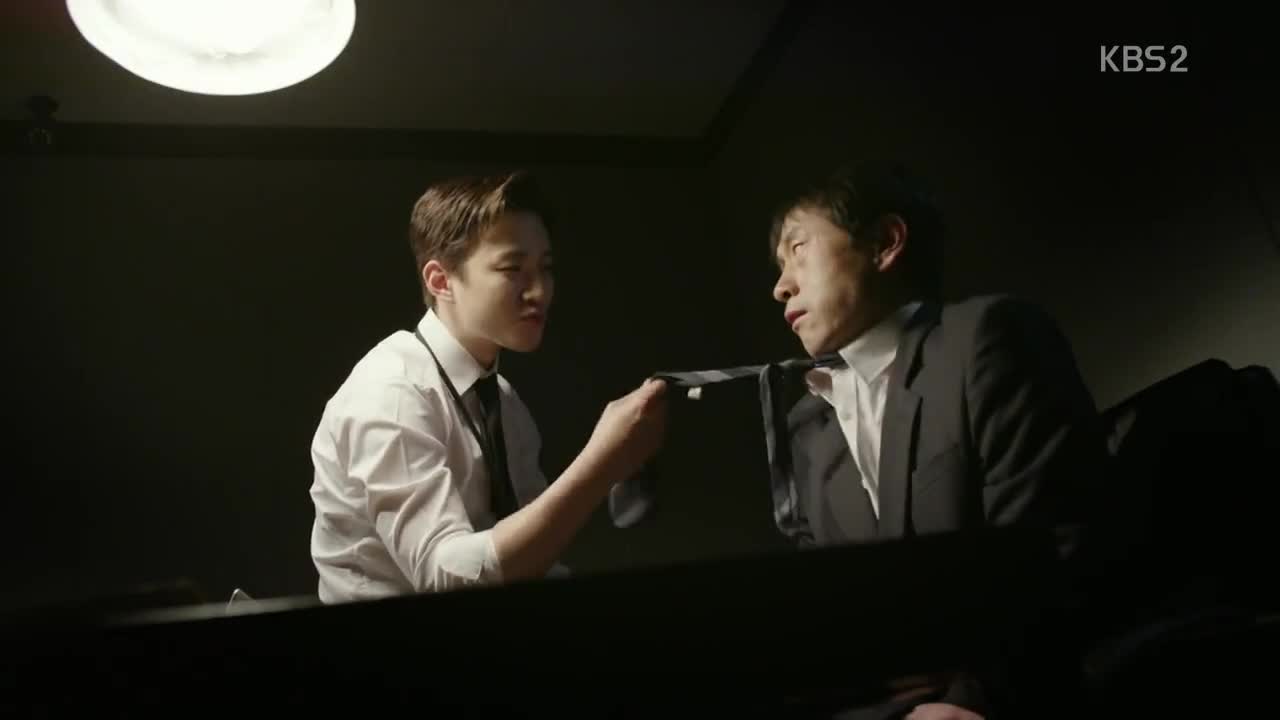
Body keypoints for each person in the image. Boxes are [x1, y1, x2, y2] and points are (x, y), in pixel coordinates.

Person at [768, 163, 1109, 719]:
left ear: (885, 242)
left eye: (798, 249)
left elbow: (1055, 546)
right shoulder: (809, 426)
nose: (781, 286)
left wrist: (974, 700)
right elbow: (838, 618)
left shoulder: (987, 337)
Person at [308, 170, 667, 603]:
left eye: (546, 268)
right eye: (513, 269)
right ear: (441, 281)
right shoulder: (390, 392)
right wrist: (600, 465)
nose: (540, 291)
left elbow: (534, 557)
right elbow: (446, 578)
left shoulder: (505, 404)